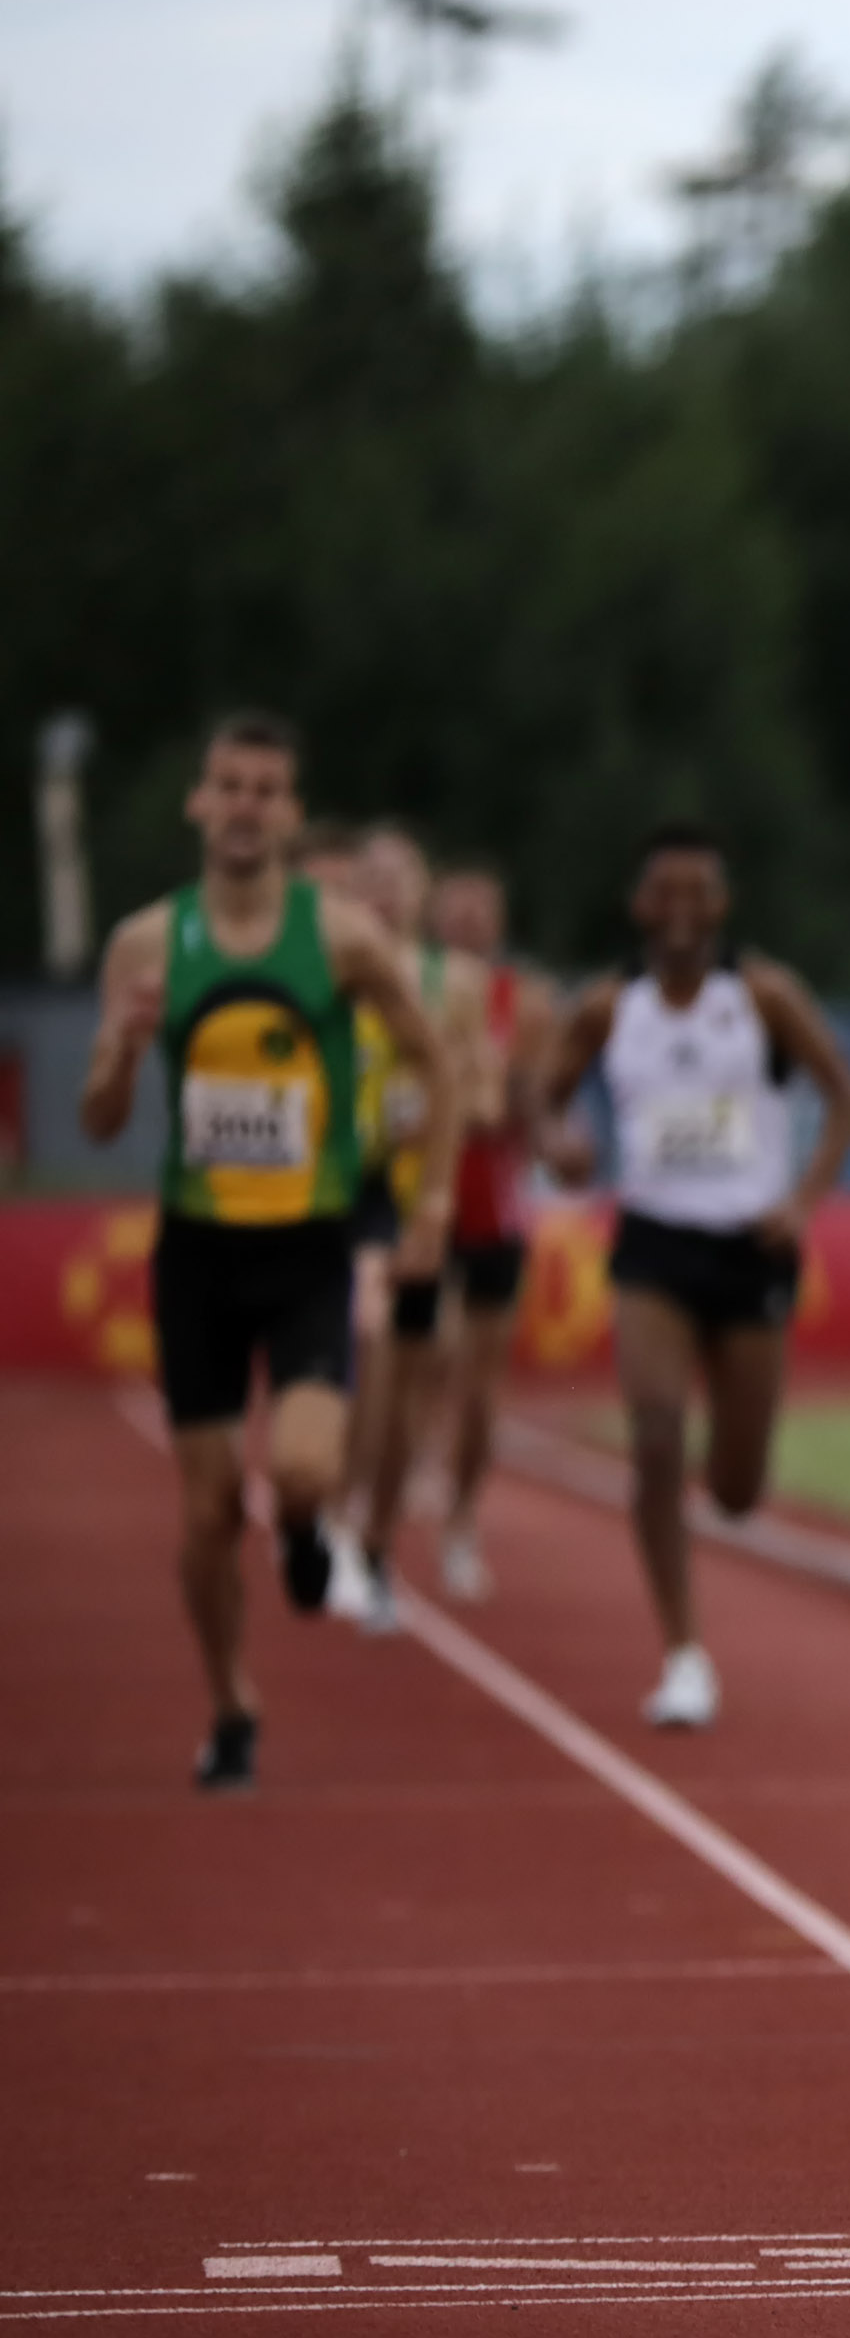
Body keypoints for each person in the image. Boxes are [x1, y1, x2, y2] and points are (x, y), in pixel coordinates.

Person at [78, 714, 455, 1788]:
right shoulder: (149, 942)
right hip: (196, 1253)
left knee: (297, 1470)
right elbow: (101, 1118)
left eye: (265, 790)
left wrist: (426, 1212)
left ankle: (303, 1530)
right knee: (202, 1509)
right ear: (200, 802)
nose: (244, 806)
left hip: (305, 1247)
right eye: (227, 786)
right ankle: (232, 1699)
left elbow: (437, 1066)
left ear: (291, 813)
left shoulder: (340, 939)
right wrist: (118, 1049)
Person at [539, 826, 850, 1729]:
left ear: (720, 907)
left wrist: (802, 1203)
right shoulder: (611, 1007)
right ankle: (683, 1653)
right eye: (664, 894)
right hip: (652, 1245)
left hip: (751, 1248)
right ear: (640, 906)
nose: (680, 913)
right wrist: (557, 1141)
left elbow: (844, 1095)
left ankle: (724, 1497)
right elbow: (546, 1090)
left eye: (699, 895)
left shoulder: (762, 997)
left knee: (733, 1488)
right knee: (652, 1437)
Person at [322, 822, 491, 1629]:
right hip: (349, 1191)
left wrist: (446, 1101)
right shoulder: (328, 968)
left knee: (422, 1372)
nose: (386, 890)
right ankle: (339, 1515)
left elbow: (478, 1087)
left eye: (401, 875)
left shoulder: (450, 980)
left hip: (423, 1192)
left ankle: (377, 1543)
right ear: (352, 890)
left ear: (423, 891)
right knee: (372, 1340)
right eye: (372, 875)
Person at [427, 862, 582, 1600]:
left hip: (492, 1208)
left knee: (481, 1390)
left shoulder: (526, 1002)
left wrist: (526, 1101)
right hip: (415, 1202)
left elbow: (539, 1101)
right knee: (426, 1356)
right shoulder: (400, 985)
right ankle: (385, 1488)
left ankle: (460, 1523)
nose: (466, 924)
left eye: (479, 913)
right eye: (455, 911)